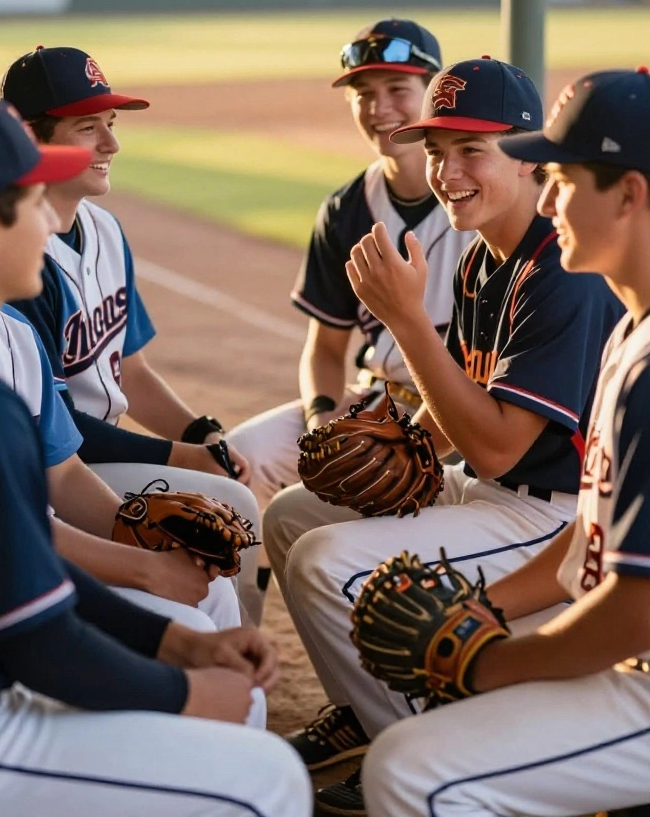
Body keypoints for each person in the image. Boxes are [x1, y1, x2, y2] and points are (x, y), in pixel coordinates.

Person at [262, 56, 624, 814]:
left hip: (548, 511)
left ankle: (419, 735)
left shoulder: (563, 273)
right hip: (502, 495)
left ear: (527, 162)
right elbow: (454, 410)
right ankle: (365, 716)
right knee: (293, 515)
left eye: (471, 150)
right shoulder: (481, 260)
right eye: (435, 150)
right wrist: (405, 447)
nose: (446, 170)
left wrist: (399, 318)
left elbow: (496, 447)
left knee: (330, 561)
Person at [0, 95, 311, 817]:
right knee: (267, 782)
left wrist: (177, 646)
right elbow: (36, 640)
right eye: (33, 202)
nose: (52, 220)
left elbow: (31, 581)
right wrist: (186, 691)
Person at [363, 65, 650, 817]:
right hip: (625, 650)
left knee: (410, 769)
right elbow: (599, 527)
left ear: (630, 194)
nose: (547, 199)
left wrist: (491, 662)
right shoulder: (629, 331)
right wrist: (482, 610)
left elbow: (636, 610)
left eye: (562, 176)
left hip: (639, 666)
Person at [0, 47, 262, 623]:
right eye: (87, 127)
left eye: (110, 126)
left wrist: (201, 433)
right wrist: (183, 455)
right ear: (29, 139)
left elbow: (132, 373)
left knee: (232, 480)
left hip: (86, 460)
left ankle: (242, 653)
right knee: (230, 503)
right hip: (72, 465)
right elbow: (61, 437)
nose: (111, 145)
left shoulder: (104, 230)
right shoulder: (16, 267)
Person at [227, 18, 473, 596]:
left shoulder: (476, 201)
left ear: (433, 93)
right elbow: (327, 344)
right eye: (364, 94)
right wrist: (322, 424)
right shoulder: (345, 209)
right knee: (240, 463)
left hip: (459, 414)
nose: (378, 108)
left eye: (397, 90)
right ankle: (240, 648)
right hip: (375, 401)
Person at [0, 303, 248, 634]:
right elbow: (2, 526)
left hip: (40, 545)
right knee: (189, 627)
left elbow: (63, 472)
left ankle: (245, 669)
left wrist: (135, 527)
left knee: (210, 589)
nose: (45, 247)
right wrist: (146, 568)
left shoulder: (16, 331)